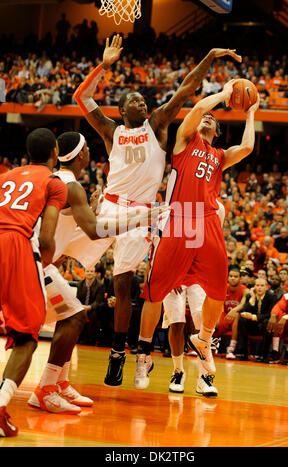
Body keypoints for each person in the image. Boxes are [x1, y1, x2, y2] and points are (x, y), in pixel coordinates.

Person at [73, 33, 242, 386]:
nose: (138, 100)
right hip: (111, 210)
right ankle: (121, 349)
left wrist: (209, 56)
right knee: (97, 272)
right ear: (121, 110)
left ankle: (146, 357)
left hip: (149, 213)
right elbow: (81, 96)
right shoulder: (109, 130)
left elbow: (186, 89)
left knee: (151, 287)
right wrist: (104, 67)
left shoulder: (158, 125)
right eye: (130, 98)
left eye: (141, 99)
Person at [134, 80, 260, 390]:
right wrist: (226, 93)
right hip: (180, 218)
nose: (207, 119)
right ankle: (144, 353)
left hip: (206, 221)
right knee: (156, 291)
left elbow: (246, 148)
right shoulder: (184, 142)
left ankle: (203, 340)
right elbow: (201, 107)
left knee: (218, 290)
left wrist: (251, 113)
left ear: (217, 132)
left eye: (213, 121)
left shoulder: (219, 156)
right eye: (206, 117)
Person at [28, 131, 165, 413]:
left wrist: (89, 210)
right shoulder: (70, 186)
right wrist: (140, 218)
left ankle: (59, 383)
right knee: (75, 316)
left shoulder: (60, 182)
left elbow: (72, 231)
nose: (91, 152)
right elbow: (94, 231)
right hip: (28, 263)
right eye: (88, 148)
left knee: (71, 316)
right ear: (81, 155)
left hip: (35, 261)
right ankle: (45, 388)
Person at [0, 128, 68, 437]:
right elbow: (46, 237)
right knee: (27, 336)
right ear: (56, 152)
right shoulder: (54, 183)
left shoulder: (5, 177)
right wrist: (46, 265)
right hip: (15, 245)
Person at [162, 201, 225, 396]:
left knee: (203, 321)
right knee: (177, 322)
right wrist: (171, 275)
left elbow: (211, 244)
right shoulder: (170, 206)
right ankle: (178, 372)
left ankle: (204, 379)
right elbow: (161, 244)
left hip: (198, 272)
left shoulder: (218, 208)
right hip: (173, 270)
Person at [235, 278, 277, 362]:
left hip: (263, 325)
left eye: (262, 286)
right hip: (252, 326)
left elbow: (269, 314)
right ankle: (243, 353)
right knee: (241, 321)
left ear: (266, 287)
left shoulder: (272, 296)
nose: (259, 288)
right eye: (257, 285)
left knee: (267, 322)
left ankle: (264, 355)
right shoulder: (249, 296)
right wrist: (253, 298)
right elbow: (244, 311)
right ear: (254, 287)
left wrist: (254, 317)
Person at [214, 265, 248, 360]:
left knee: (237, 316)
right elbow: (220, 305)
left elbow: (243, 303)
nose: (233, 278)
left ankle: (231, 349)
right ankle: (210, 345)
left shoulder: (245, 290)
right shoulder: (224, 288)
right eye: (231, 276)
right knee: (214, 319)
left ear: (240, 278)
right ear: (228, 277)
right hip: (225, 315)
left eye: (235, 276)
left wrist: (234, 310)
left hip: (236, 318)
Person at [267, 278, 288, 364]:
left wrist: (286, 317)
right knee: (277, 316)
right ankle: (275, 351)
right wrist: (273, 315)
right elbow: (278, 306)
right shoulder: (287, 296)